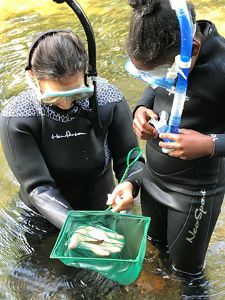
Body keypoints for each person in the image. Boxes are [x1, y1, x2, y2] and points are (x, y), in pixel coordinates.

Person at [0, 30, 144, 240]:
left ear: (86, 74)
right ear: (33, 78)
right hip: (44, 215)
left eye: (76, 94)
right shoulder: (18, 117)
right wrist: (75, 226)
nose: (66, 105)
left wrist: (130, 184)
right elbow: (38, 187)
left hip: (102, 205)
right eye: (54, 97)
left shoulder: (107, 99)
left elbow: (132, 160)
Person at [126, 0, 225, 277]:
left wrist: (209, 145)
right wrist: (141, 109)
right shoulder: (167, 46)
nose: (156, 81)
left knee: (186, 273)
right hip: (153, 179)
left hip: (194, 193)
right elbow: (154, 87)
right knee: (156, 249)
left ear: (192, 50)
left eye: (160, 75)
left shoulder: (220, 70)